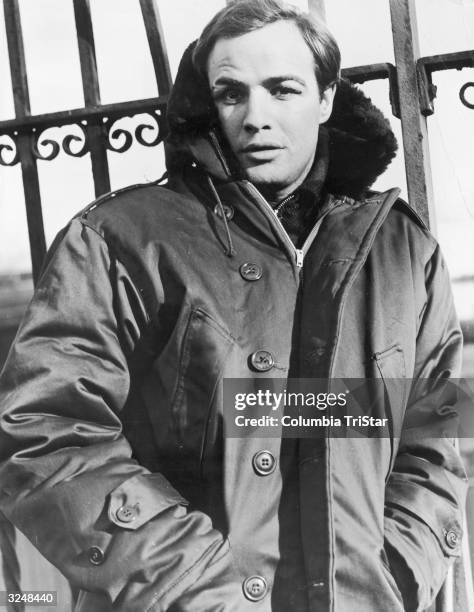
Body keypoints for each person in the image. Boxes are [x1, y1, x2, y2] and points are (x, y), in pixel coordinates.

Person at [0, 1, 467, 610]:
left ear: (326, 99)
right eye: (231, 93)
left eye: (283, 89)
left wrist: (396, 572)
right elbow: (47, 431)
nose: (256, 117)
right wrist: (191, 583)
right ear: (210, 105)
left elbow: (431, 443)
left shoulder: (404, 251)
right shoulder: (122, 239)